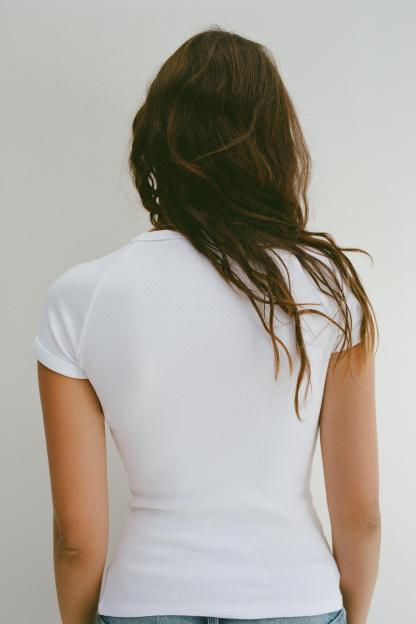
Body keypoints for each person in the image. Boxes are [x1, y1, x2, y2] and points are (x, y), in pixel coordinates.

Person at [33, 26, 380, 624]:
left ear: (157, 142)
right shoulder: (329, 290)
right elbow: (361, 518)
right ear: (277, 145)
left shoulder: (81, 296)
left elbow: (75, 537)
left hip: (145, 600)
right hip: (296, 598)